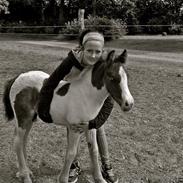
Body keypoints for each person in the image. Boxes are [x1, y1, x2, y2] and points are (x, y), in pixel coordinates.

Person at [38, 29, 118, 183]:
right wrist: (43, 108)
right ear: (82, 49)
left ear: (102, 51)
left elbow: (110, 99)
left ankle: (106, 165)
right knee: (73, 128)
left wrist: (93, 123)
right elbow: (52, 81)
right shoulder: (72, 60)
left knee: (97, 129)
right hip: (74, 95)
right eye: (89, 51)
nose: (93, 55)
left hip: (93, 99)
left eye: (97, 52)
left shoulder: (104, 64)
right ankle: (74, 164)